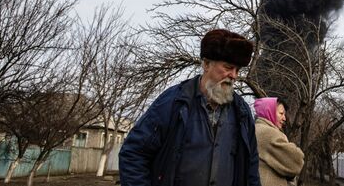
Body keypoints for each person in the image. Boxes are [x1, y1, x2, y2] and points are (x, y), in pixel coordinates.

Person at [119, 29, 261, 186]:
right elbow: (133, 154)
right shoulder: (173, 102)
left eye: (237, 70)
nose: (234, 75)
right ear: (206, 64)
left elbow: (251, 167)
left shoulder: (241, 112)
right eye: (228, 67)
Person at [254, 97, 304, 186]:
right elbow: (297, 162)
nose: (284, 118)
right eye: (281, 113)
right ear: (269, 112)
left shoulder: (254, 129)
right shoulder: (270, 133)